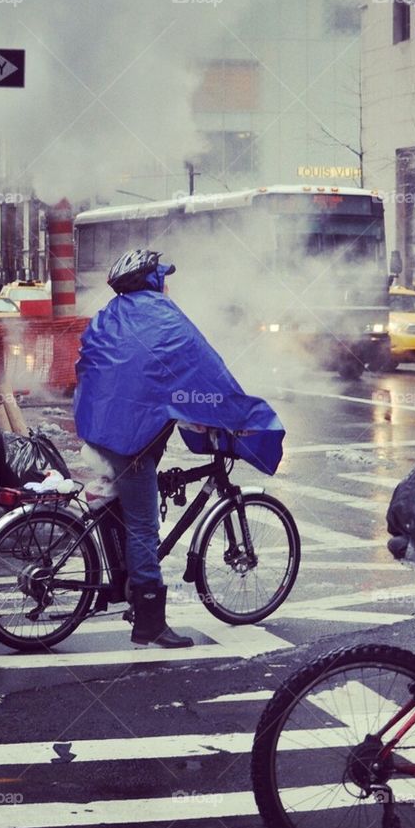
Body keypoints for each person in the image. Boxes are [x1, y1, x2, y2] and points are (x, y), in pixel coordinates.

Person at [74, 249, 285, 649]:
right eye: (162, 276)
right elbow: (205, 367)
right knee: (143, 524)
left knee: (129, 505)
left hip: (101, 430)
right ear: (151, 280)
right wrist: (232, 408)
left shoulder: (110, 315)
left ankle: (126, 582)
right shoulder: (164, 317)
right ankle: (150, 622)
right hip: (130, 440)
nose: (166, 283)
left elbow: (102, 368)